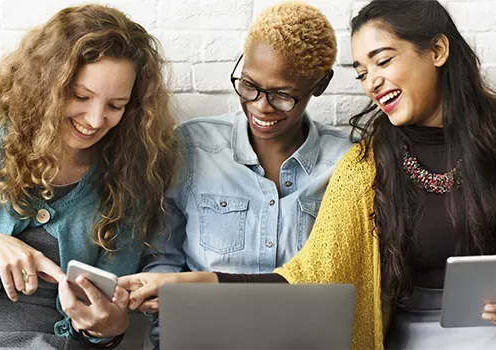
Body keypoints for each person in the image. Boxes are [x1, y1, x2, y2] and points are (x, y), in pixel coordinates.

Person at [119, 1, 496, 349]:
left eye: (383, 61)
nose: (371, 81)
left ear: (438, 50)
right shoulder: (366, 164)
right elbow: (308, 274)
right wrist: (187, 283)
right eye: (362, 71)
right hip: (413, 336)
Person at [0, 4, 178, 349]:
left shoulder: (129, 175)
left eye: (115, 106)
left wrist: (107, 325)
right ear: (46, 84)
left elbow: (106, 323)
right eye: (80, 96)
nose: (94, 119)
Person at [129, 1, 352, 348]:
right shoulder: (191, 147)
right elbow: (162, 258)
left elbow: (343, 278)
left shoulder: (348, 162)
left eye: (282, 96)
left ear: (320, 84)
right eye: (249, 85)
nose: (260, 106)